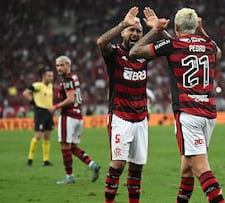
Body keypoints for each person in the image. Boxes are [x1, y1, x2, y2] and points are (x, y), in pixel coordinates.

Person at [130, 7, 225, 203]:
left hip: (189, 114)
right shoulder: (208, 44)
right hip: (209, 114)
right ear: (196, 25)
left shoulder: (172, 44)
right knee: (187, 169)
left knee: (200, 168)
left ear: (176, 27)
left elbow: (134, 52)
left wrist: (155, 29)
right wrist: (200, 30)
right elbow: (219, 53)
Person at [96, 6, 154, 203]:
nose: (135, 34)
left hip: (141, 119)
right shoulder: (114, 54)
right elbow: (101, 41)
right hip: (121, 117)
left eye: (138, 31)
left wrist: (156, 29)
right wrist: (123, 22)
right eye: (131, 30)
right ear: (123, 33)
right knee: (118, 164)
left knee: (137, 168)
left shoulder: (144, 55)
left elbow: (172, 46)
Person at [48, 55, 100, 185]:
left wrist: (55, 106)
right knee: (72, 147)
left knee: (65, 146)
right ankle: (92, 164)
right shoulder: (74, 77)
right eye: (57, 65)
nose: (59, 68)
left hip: (68, 116)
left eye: (62, 65)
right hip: (78, 116)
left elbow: (70, 99)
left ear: (68, 65)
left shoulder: (67, 80)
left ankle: (69, 176)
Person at [22, 66, 54, 167]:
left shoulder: (50, 86)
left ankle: (46, 160)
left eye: (52, 76)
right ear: (44, 76)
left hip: (49, 112)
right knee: (38, 136)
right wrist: (33, 102)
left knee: (47, 136)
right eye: (49, 76)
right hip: (40, 112)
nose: (51, 77)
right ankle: (30, 159)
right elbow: (25, 93)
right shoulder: (37, 85)